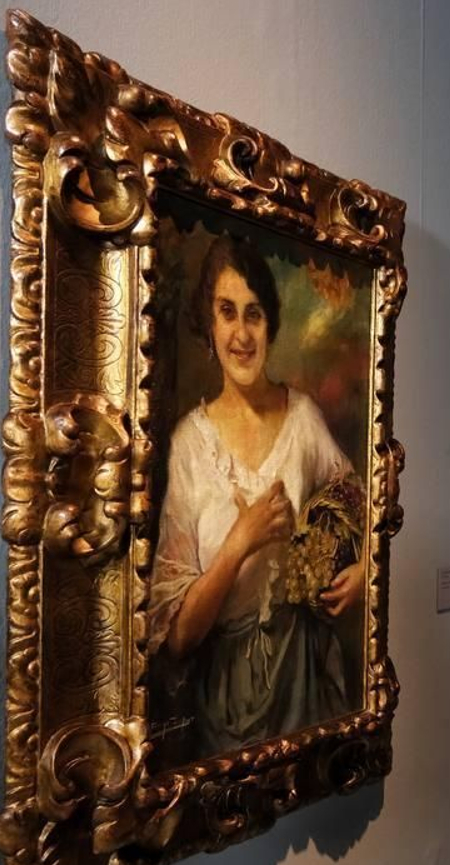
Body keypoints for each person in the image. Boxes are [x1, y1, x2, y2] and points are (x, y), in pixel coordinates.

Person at [146, 235, 366, 760]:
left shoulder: (303, 419)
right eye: (227, 312)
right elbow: (178, 638)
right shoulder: (189, 446)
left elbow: (364, 504)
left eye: (254, 314)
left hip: (303, 673)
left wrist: (364, 571)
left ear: (270, 326)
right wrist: (238, 545)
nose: (241, 333)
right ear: (209, 324)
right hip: (225, 693)